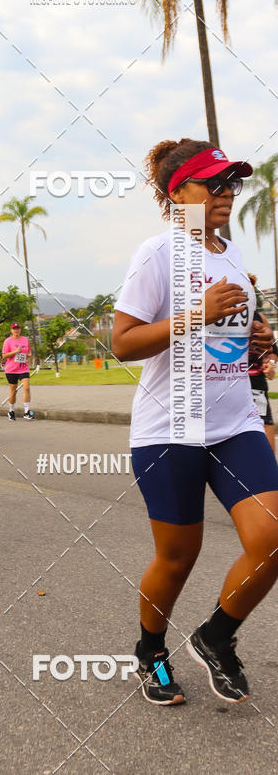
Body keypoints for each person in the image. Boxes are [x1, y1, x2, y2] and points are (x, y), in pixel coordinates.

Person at [112, 139, 278, 706]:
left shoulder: (230, 254)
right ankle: (150, 649)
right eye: (214, 184)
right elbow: (123, 343)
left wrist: (256, 337)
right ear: (177, 191)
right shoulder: (156, 254)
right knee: (178, 557)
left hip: (235, 422)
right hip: (169, 429)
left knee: (273, 539)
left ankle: (217, 636)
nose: (227, 194)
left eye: (232, 183)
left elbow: (227, 340)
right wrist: (195, 315)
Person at [247, 275, 277, 452]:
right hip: (224, 389)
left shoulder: (260, 318)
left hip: (257, 387)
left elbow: (272, 352)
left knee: (266, 451)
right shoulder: (214, 317)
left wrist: (270, 363)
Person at [2, 323, 34, 420]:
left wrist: (29, 355)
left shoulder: (25, 339)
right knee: (13, 391)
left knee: (27, 387)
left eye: (18, 328)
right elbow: (4, 356)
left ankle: (27, 412)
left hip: (23, 368)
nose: (16, 330)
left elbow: (29, 351)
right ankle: (11, 411)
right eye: (14, 329)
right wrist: (15, 351)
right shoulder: (8, 341)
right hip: (11, 370)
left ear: (20, 329)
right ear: (11, 330)